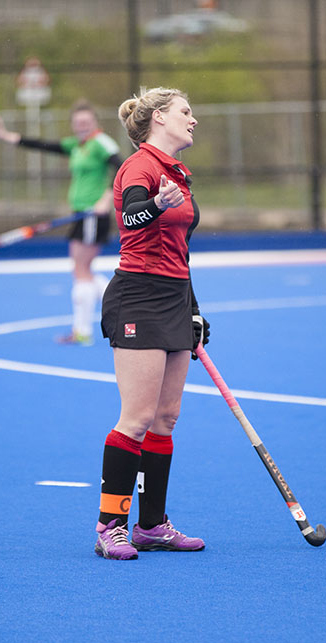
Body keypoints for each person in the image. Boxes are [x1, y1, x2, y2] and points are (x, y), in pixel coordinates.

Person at [92, 87, 209, 559]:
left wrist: (194, 308)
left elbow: (178, 251)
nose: (193, 119)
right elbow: (134, 217)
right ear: (159, 117)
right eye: (186, 110)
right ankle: (109, 525)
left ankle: (151, 525)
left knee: (166, 418)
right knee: (137, 418)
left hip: (175, 296)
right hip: (138, 297)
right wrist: (157, 206)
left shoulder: (177, 172)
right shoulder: (140, 167)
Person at [0, 100, 122, 345]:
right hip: (81, 214)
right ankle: (121, 308)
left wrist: (106, 198)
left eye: (86, 122)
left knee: (81, 270)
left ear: (95, 123)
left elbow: (123, 167)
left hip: (93, 216)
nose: (81, 127)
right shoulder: (77, 145)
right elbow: (45, 145)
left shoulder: (102, 143)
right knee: (82, 269)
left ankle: (83, 331)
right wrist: (10, 137)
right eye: (77, 123)